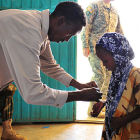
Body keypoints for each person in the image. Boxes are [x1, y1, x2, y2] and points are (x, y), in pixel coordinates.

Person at [0, 2, 102, 140]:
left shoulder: (40, 27)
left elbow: (49, 65)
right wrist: (80, 96)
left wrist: (79, 86)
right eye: (69, 33)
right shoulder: (28, 31)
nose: (67, 40)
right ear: (60, 21)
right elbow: (32, 93)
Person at [81, 0, 123, 118]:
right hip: (95, 49)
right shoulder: (93, 7)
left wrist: (123, 48)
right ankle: (93, 108)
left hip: (110, 52)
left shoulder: (114, 10)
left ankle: (101, 106)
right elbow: (86, 26)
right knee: (100, 76)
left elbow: (119, 31)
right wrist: (85, 45)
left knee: (109, 77)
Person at [95, 32, 140, 140]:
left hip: (129, 133)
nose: (104, 65)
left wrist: (121, 121)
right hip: (115, 132)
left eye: (105, 61)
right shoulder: (117, 75)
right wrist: (105, 103)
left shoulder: (136, 75)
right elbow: (122, 98)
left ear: (118, 56)